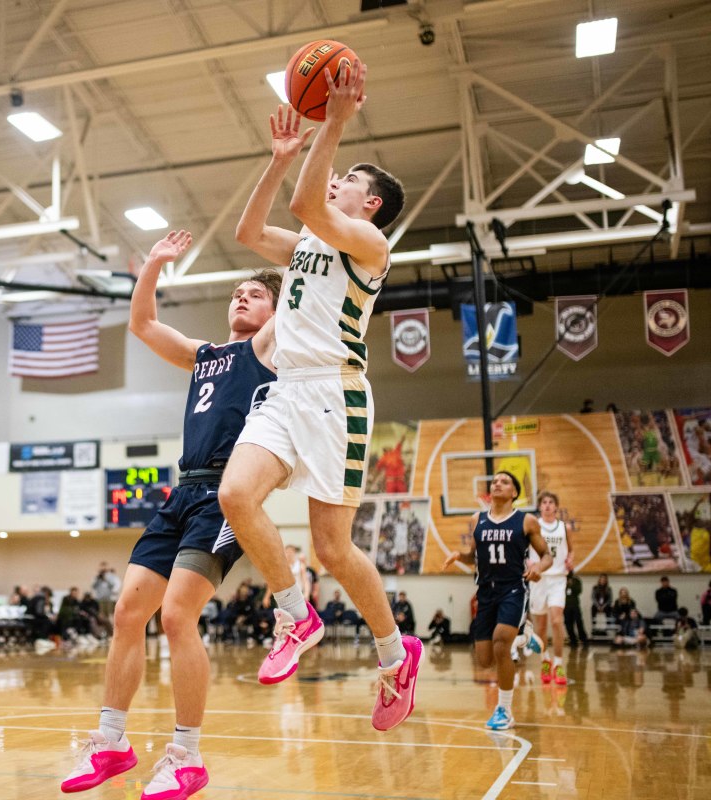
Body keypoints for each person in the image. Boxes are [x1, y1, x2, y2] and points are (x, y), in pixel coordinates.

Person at [219, 64, 417, 730]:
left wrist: (333, 124)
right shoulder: (309, 239)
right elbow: (249, 232)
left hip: (336, 393)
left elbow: (310, 207)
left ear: (371, 206)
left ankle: (396, 655)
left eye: (353, 181)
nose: (341, 179)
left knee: (333, 548)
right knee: (235, 495)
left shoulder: (369, 244)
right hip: (287, 390)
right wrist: (279, 161)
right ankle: (294, 613)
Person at [62, 230, 279, 799]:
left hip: (226, 496)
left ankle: (187, 755)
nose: (240, 298)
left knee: (178, 618)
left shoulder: (270, 349)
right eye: (236, 292)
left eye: (255, 294)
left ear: (276, 312)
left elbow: (303, 291)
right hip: (182, 494)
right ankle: (111, 741)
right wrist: (153, 265)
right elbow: (143, 325)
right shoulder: (206, 354)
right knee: (128, 614)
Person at [444, 471, 552, 731]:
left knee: (502, 643)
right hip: (485, 592)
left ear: (514, 492)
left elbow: (547, 555)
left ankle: (504, 710)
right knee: (484, 659)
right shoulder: (477, 519)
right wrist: (460, 555)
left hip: (513, 589)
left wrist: (539, 567)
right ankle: (525, 635)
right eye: (494, 481)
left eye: (504, 482)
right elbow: (475, 557)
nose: (497, 484)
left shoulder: (526, 521)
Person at [527, 491, 573, 685]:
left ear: (556, 507)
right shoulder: (533, 526)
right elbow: (523, 550)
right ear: (540, 507)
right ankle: (545, 660)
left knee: (557, 620)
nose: (547, 505)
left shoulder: (564, 527)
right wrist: (527, 562)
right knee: (541, 627)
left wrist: (571, 559)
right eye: (544, 502)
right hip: (538, 578)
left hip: (557, 578)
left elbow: (571, 550)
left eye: (550, 502)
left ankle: (559, 664)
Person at [563, 571, 589, 647]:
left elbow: (579, 591)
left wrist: (571, 584)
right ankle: (573, 640)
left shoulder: (576, 580)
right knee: (568, 624)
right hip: (566, 606)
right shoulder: (562, 580)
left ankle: (583, 639)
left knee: (579, 623)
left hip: (575, 605)